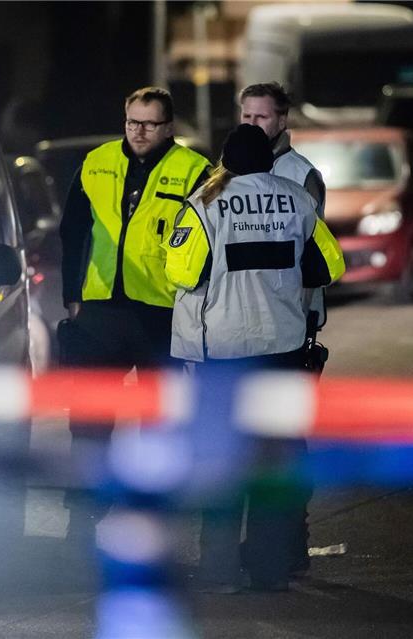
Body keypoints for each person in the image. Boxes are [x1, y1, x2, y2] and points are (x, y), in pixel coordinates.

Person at [164, 124, 344, 590]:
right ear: (268, 159)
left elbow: (180, 272)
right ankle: (269, 572)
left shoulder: (205, 202)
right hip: (281, 353)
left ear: (226, 158)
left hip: (222, 356)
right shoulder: (296, 199)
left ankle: (220, 572)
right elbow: (332, 266)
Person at [58, 86, 211, 538]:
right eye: (132, 122)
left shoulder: (194, 170)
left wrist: (195, 306)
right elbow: (72, 231)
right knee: (89, 417)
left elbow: (207, 241)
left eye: (149, 124)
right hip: (100, 307)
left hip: (160, 312)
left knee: (156, 420)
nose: (139, 132)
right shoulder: (97, 161)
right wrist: (72, 293)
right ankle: (84, 510)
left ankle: (149, 509)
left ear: (169, 127)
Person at [240, 82, 328, 575]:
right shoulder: (228, 172)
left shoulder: (301, 176)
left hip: (291, 330)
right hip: (244, 329)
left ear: (283, 121)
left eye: (262, 118)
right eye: (247, 117)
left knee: (286, 441)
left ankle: (291, 544)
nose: (253, 125)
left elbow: (314, 259)